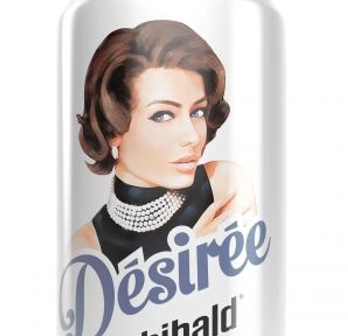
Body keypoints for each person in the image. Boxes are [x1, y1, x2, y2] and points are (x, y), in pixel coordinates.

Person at [71, 20, 256, 269]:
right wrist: (187, 259)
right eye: (163, 115)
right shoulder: (85, 247)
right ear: (112, 128)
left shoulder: (226, 185)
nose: (192, 137)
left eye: (198, 112)